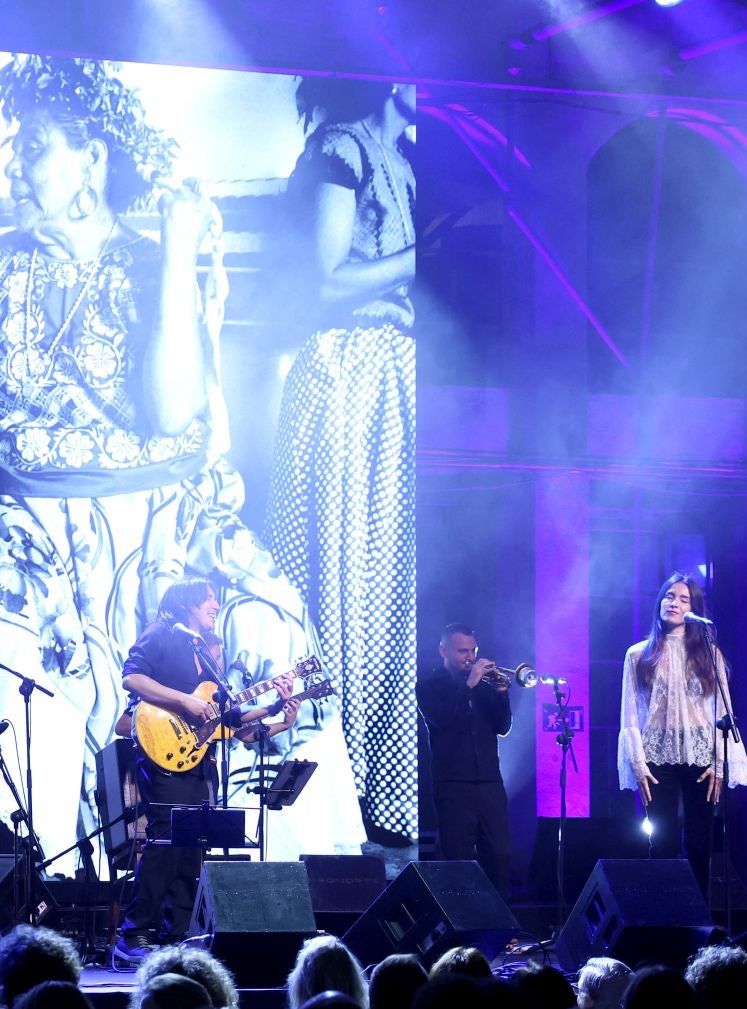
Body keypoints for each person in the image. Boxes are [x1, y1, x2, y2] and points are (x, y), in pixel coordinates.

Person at [0, 54, 363, 861]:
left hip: (165, 530)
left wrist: (178, 251)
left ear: (93, 161)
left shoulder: (153, 258)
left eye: (38, 145)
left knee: (266, 634)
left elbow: (171, 409)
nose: (17, 162)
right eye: (15, 144)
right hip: (29, 539)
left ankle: (276, 882)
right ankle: (37, 888)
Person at [263, 77, 420, 843]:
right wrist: (415, 259)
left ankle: (379, 802)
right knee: (336, 579)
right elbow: (322, 284)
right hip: (342, 370)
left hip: (385, 372)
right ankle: (328, 795)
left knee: (379, 584)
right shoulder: (341, 149)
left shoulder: (400, 160)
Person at [115, 579, 296, 961]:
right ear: (186, 604)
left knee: (191, 848)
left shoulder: (202, 650)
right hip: (162, 749)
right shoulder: (161, 633)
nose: (216, 604)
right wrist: (184, 700)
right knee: (166, 842)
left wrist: (275, 709)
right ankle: (132, 935)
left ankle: (173, 935)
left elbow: (228, 719)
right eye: (208, 599)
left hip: (197, 761)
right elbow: (132, 677)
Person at [618, 572, 747, 892]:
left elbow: (723, 712)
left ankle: (699, 925)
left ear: (694, 608)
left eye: (683, 598)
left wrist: (719, 765)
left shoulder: (709, 653)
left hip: (702, 757)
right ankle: (663, 922)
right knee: (661, 845)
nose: (673, 602)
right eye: (668, 596)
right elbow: (630, 714)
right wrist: (638, 765)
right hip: (656, 758)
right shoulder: (638, 654)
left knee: (700, 846)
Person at [417, 622, 515, 895]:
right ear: (443, 650)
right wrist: (470, 684)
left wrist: (502, 695)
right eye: (463, 651)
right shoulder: (428, 686)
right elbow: (443, 719)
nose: (470, 657)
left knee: (500, 854)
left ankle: (500, 930)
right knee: (458, 860)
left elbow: (502, 727)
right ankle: (461, 928)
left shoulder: (485, 685)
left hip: (489, 782)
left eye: (473, 650)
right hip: (453, 784)